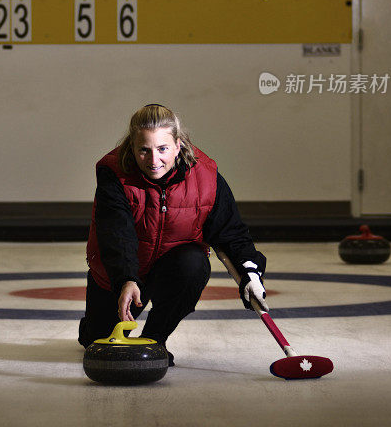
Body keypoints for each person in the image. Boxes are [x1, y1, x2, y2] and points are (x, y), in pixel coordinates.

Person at [78, 104, 267, 365]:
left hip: (170, 268)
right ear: (132, 148)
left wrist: (250, 271)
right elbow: (116, 234)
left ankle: (156, 339)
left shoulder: (206, 177)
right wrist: (126, 278)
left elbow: (230, 231)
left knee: (194, 263)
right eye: (144, 150)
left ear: (178, 145)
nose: (154, 161)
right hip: (123, 272)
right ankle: (92, 326)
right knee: (95, 341)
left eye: (162, 149)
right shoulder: (114, 173)